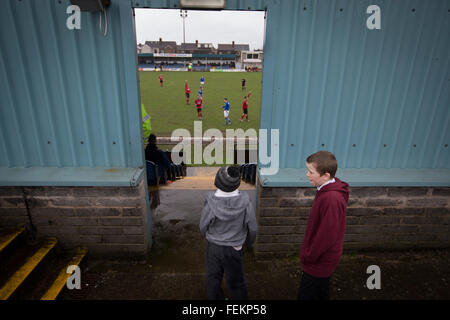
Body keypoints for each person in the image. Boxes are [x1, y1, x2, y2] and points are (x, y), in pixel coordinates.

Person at [199, 166, 257, 300]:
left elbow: (203, 225)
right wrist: (248, 243)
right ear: (236, 182)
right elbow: (252, 227)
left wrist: (205, 236)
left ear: (217, 181)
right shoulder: (245, 201)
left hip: (214, 247)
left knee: (213, 280)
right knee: (237, 282)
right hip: (235, 248)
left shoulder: (211, 201)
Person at [298, 151, 349, 300]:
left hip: (320, 260)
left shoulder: (331, 199)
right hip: (320, 258)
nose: (307, 174)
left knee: (308, 294)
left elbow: (327, 235)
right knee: (320, 292)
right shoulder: (326, 190)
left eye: (311, 172)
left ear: (326, 176)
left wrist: (309, 256)